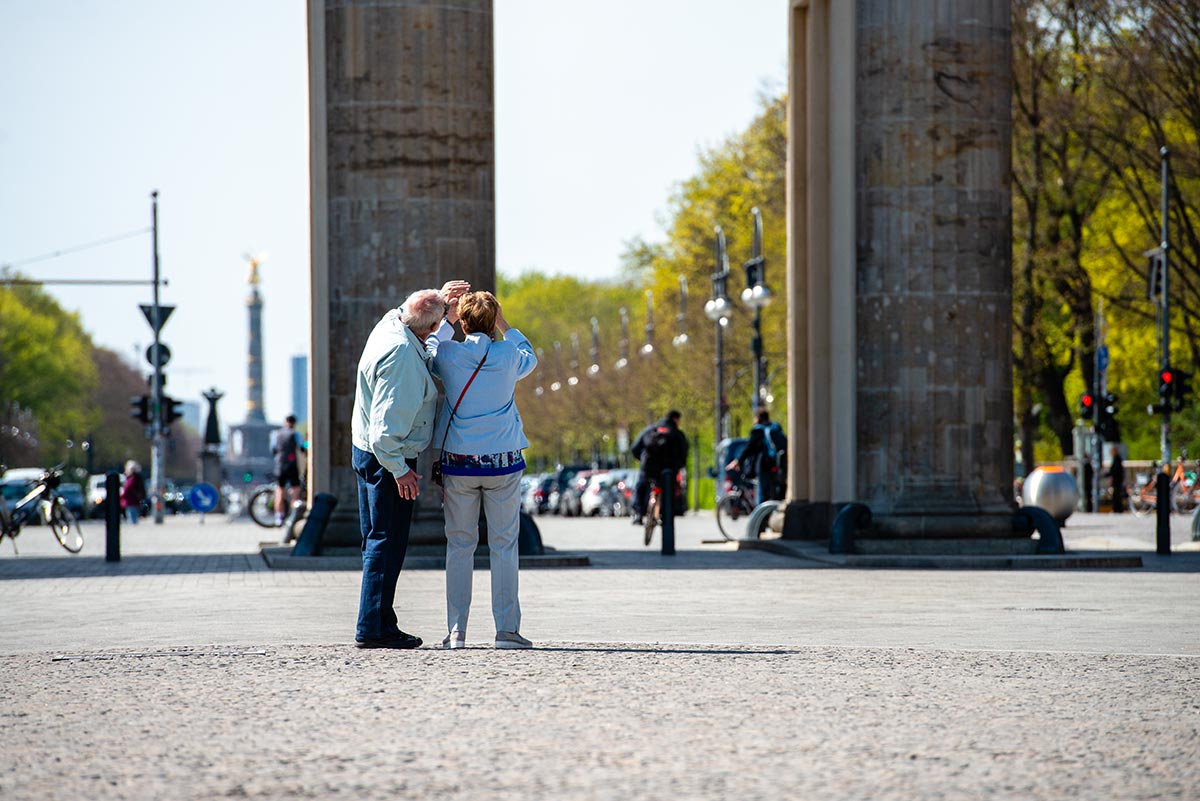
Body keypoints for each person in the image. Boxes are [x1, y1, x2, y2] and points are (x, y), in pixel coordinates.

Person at [351, 280, 470, 650]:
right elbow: (386, 435)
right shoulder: (403, 358)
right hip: (387, 458)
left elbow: (422, 328)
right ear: (432, 327)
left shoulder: (393, 321)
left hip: (367, 450)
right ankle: (373, 627)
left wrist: (440, 302)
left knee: (378, 541)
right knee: (387, 542)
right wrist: (401, 471)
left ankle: (379, 619)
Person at [426, 291, 538, 650]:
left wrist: (449, 321)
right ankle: (506, 629)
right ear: (492, 321)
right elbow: (530, 357)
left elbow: (427, 351)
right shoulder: (508, 356)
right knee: (504, 545)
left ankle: (457, 630)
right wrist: (504, 323)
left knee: (460, 545)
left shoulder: (450, 354)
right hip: (503, 461)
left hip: (459, 461)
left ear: (465, 320)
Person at [630, 410, 689, 525]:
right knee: (669, 490)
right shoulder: (677, 433)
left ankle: (638, 514)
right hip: (668, 469)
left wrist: (641, 459)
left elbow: (635, 447)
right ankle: (666, 514)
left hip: (649, 467)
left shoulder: (650, 430)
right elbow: (684, 452)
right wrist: (679, 466)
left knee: (641, 486)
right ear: (676, 419)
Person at [726, 407, 787, 506]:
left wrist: (738, 461)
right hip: (778, 464)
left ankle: (763, 519)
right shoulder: (775, 427)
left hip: (765, 465)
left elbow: (749, 448)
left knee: (763, 493)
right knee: (777, 491)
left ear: (758, 418)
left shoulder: (758, 430)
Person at [271, 414, 307, 526]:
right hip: (291, 464)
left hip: (280, 465)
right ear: (294, 423)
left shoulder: (276, 434)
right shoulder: (295, 434)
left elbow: (273, 449)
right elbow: (302, 447)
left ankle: (279, 516)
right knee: (295, 489)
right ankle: (293, 515)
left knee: (279, 490)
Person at [120, 460, 146, 525]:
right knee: (133, 518)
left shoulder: (132, 479)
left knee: (132, 520)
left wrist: (122, 496)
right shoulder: (138, 478)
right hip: (135, 501)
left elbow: (128, 489)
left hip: (131, 501)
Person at [1106, 445, 1126, 513]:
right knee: (1116, 495)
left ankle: (1117, 509)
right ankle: (1118, 509)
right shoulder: (1117, 459)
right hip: (1118, 480)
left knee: (1117, 495)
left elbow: (1114, 471)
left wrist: (1108, 475)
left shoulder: (1117, 459)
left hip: (1117, 480)